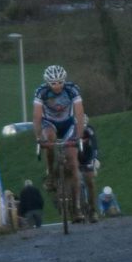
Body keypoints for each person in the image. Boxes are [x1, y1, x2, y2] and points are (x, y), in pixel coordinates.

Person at [32, 65, 86, 223]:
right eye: (53, 83)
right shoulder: (41, 92)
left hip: (68, 124)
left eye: (60, 82)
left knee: (73, 163)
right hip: (50, 123)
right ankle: (50, 173)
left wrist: (79, 135)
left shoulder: (72, 89)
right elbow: (36, 117)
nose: (57, 86)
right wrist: (38, 137)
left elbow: (80, 113)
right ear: (47, 83)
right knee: (48, 139)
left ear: (64, 80)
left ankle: (76, 208)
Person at [79, 115, 100, 223]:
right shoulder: (71, 130)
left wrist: (95, 159)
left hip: (87, 159)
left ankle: (93, 210)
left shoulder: (89, 130)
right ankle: (77, 210)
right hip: (76, 160)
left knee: (90, 183)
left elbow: (95, 145)